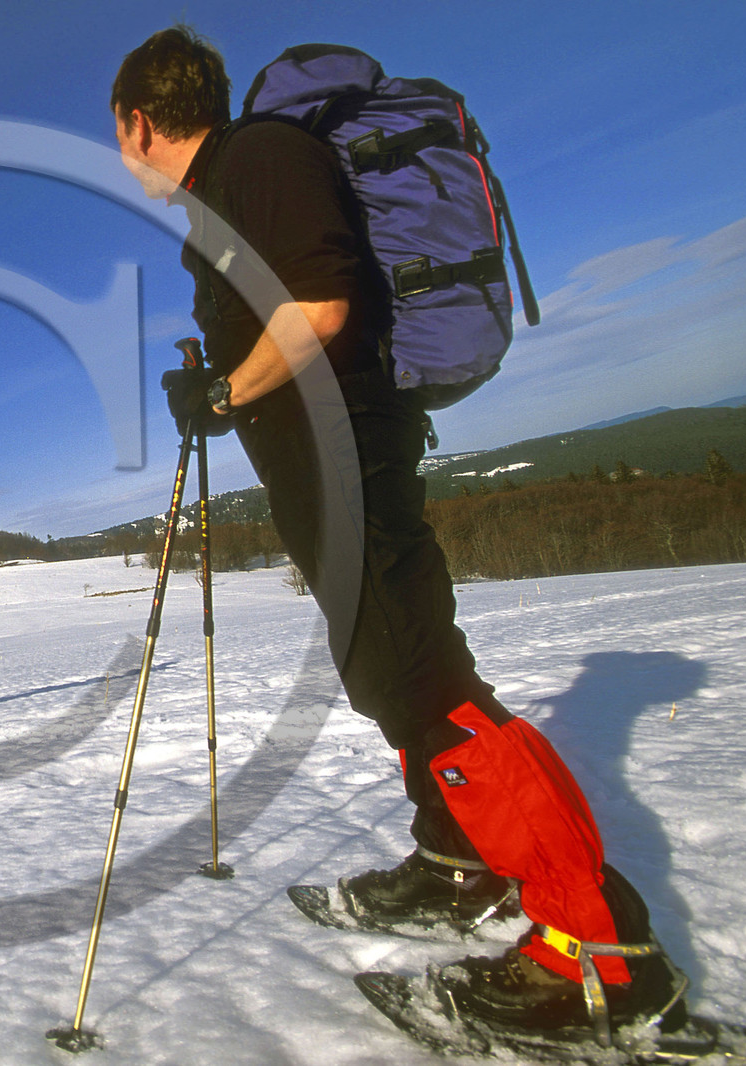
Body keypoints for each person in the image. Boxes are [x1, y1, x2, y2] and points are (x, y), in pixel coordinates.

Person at [110, 26, 683, 1037]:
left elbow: (323, 307)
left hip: (352, 465)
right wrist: (219, 390)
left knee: (425, 688)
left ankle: (600, 952)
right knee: (399, 672)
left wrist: (222, 388)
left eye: (115, 134)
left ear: (137, 120)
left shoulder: (258, 160)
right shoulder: (235, 182)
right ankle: (458, 862)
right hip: (332, 472)